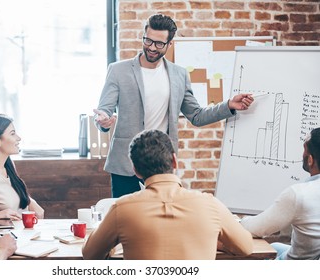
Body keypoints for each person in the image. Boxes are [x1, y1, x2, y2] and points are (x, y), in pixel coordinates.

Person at [93, 13, 254, 198]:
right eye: (148, 41)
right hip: (126, 163)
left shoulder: (179, 75)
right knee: (125, 221)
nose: (152, 48)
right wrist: (102, 121)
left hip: (161, 163)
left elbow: (197, 115)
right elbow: (104, 110)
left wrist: (229, 106)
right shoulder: (118, 70)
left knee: (160, 221)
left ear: (170, 44)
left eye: (159, 43)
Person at [82, 129, 253, 260]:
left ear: (135, 170)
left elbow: (90, 254)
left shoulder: (122, 208)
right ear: (174, 161)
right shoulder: (211, 204)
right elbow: (246, 247)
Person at [240, 127, 320, 260]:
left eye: (304, 150)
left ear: (310, 160)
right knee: (276, 246)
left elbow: (254, 229)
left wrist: (237, 222)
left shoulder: (299, 194)